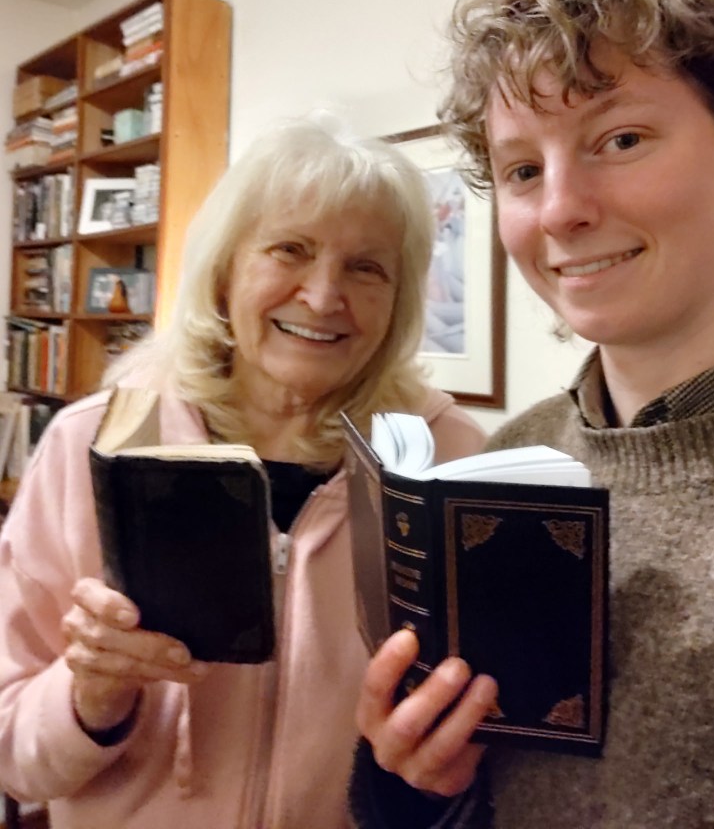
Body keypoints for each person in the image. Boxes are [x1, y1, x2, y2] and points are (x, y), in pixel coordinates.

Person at [349, 0, 714, 829]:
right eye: (523, 170)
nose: (562, 209)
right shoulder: (509, 462)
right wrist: (413, 782)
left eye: (620, 138)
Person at [0, 120, 487, 829]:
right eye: (291, 250)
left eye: (366, 267)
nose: (323, 297)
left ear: (398, 300)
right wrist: (91, 698)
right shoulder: (94, 444)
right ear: (226, 270)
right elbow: (12, 751)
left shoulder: (448, 460)